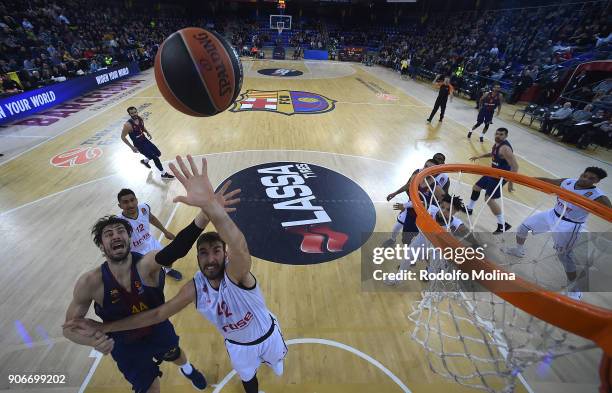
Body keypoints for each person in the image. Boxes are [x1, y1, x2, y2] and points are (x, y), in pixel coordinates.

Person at [64, 156, 287, 393]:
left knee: (176, 354)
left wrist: (208, 208)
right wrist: (92, 338)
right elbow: (70, 327)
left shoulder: (146, 264)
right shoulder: (89, 282)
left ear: (130, 238)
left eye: (120, 231)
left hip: (157, 329)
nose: (116, 235)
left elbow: (179, 249)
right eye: (109, 234)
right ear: (101, 245)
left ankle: (188, 369)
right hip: (124, 341)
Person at [503, 167, 610, 300]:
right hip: (552, 214)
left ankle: (574, 288)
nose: (585, 179)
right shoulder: (568, 182)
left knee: (564, 256)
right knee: (523, 228)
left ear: (597, 181)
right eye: (584, 175)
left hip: (570, 224)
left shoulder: (598, 196)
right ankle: (519, 250)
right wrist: (524, 179)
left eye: (591, 178)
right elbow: (548, 181)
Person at [385, 194, 478, 285]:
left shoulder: (456, 223)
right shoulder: (431, 209)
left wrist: (476, 244)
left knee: (434, 269)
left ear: (455, 212)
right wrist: (404, 206)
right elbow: (417, 202)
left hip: (437, 246)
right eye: (442, 207)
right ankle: (398, 278)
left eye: (448, 210)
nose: (443, 210)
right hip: (422, 238)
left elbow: (467, 233)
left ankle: (429, 274)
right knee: (407, 258)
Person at [118, 189, 183, 281]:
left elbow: (151, 218)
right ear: (120, 206)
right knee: (147, 276)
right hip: (136, 251)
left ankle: (168, 270)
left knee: (169, 258)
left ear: (136, 200)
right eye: (125, 202)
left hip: (151, 243)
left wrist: (165, 231)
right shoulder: (119, 222)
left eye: (132, 200)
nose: (130, 204)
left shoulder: (144, 208)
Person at [467, 127, 518, 234]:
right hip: (492, 173)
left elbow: (515, 166)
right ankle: (469, 208)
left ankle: (503, 224)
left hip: (499, 177)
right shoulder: (496, 145)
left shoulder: (505, 148)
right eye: (497, 133)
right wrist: (479, 156)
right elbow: (493, 154)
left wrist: (510, 183)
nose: (498, 136)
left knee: (488, 199)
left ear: (506, 136)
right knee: (476, 187)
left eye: (501, 134)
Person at [121, 107, 174, 179]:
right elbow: (123, 137)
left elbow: (142, 127)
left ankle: (145, 161)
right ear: (129, 114)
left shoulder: (140, 118)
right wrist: (132, 147)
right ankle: (163, 174)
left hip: (145, 140)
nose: (134, 114)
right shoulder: (127, 125)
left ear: (137, 112)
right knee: (155, 157)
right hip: (139, 145)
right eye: (132, 113)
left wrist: (147, 132)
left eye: (135, 112)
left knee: (158, 153)